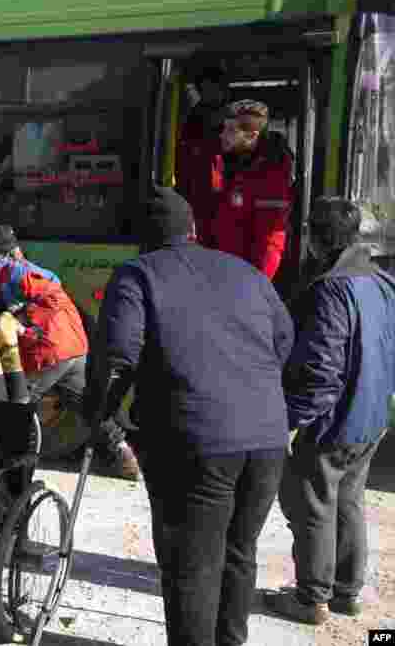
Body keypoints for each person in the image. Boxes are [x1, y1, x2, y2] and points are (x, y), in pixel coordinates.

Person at [86, 186, 294, 646]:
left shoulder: (138, 274)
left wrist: (101, 415)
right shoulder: (245, 271)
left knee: (192, 568)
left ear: (142, 238)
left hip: (195, 441)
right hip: (267, 439)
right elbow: (284, 341)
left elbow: (118, 357)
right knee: (239, 552)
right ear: (194, 229)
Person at [264, 198, 393, 625]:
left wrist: (291, 421)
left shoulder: (331, 290)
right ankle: (345, 592)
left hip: (334, 421)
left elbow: (322, 369)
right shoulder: (381, 281)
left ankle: (311, 599)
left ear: (316, 240)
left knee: (313, 504)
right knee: (348, 501)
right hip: (371, 416)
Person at [0, 225, 141, 480]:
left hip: (48, 351)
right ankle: (124, 457)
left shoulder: (6, 271)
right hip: (74, 347)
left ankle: (12, 470)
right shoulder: (33, 271)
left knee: (14, 406)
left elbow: (1, 309)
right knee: (89, 406)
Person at [208, 100, 295, 281]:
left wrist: (255, 286)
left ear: (252, 135)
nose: (223, 135)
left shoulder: (271, 175)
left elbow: (270, 245)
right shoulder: (229, 162)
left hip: (241, 279)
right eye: (224, 129)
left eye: (231, 130)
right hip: (221, 268)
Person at [175, 64, 231, 243]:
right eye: (205, 90)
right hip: (195, 194)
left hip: (224, 195)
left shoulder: (234, 119)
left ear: (222, 89)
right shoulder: (192, 118)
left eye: (213, 89)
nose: (209, 94)